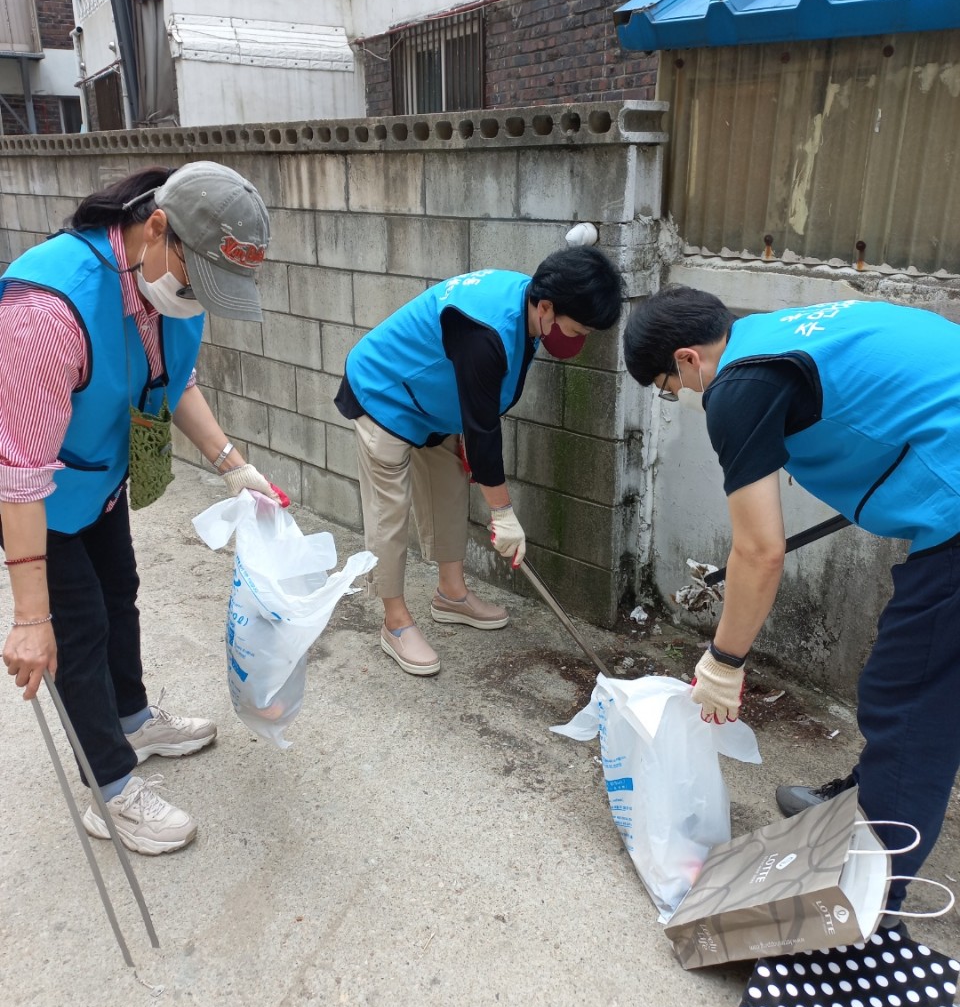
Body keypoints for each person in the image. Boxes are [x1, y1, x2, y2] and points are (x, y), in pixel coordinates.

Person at [623, 284, 960, 913]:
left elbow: (759, 551)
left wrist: (723, 662)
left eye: (676, 388)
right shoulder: (780, 332)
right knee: (916, 685)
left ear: (688, 358)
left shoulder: (739, 384)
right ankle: (863, 806)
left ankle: (864, 907)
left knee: (911, 699)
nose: (690, 399)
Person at [0, 161, 284, 855]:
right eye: (197, 277)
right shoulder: (47, 309)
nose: (197, 296)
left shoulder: (167, 294)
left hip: (98, 480)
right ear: (156, 229)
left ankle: (132, 717)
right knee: (78, 632)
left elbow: (173, 381)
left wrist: (232, 465)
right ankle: (111, 786)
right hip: (36, 498)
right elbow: (17, 476)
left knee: (120, 594)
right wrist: (31, 618)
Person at [335, 248, 624, 676]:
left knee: (449, 487)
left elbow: (482, 407)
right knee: (388, 510)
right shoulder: (485, 330)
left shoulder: (529, 304)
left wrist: (479, 456)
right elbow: (484, 427)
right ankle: (394, 622)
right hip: (386, 393)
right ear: (546, 307)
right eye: (576, 328)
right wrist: (503, 513)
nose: (577, 338)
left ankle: (451, 595)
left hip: (436, 404)